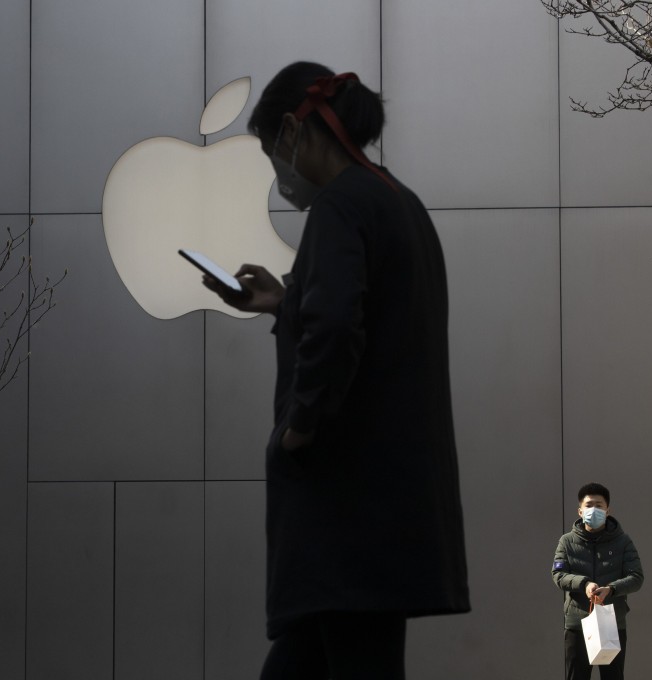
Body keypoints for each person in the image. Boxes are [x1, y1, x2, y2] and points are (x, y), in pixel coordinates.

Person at [201, 61, 470, 680]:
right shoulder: (398, 202)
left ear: (296, 132)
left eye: (273, 155)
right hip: (389, 510)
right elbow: (371, 316)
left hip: (347, 514)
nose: (280, 177)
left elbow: (336, 331)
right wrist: (283, 299)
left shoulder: (338, 208)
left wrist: (300, 427)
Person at [552, 482, 644, 680]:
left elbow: (636, 577)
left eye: (599, 506)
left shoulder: (622, 541)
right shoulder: (567, 542)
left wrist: (611, 589)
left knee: (613, 676)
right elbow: (558, 575)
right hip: (577, 623)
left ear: (608, 510)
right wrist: (584, 584)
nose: (594, 510)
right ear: (580, 510)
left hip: (612, 623)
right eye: (589, 505)